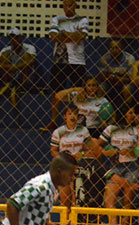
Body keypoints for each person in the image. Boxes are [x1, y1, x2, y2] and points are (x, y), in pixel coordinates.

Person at [95, 104, 139, 225]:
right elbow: (97, 145)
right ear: (123, 114)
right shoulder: (111, 129)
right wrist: (107, 152)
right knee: (109, 198)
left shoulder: (136, 129)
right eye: (130, 113)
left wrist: (133, 147)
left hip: (132, 166)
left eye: (133, 113)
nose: (133, 116)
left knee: (128, 199)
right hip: (115, 165)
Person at [44, 0, 89, 131]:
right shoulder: (57, 19)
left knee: (79, 91)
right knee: (56, 92)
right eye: (66, 5)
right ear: (63, 6)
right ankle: (54, 121)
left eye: (71, 4)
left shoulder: (82, 20)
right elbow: (53, 37)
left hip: (77, 60)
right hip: (60, 60)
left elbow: (81, 36)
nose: (68, 7)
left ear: (75, 5)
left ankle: (79, 121)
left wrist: (63, 34)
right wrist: (73, 35)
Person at [50, 105, 91, 208]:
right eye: (69, 114)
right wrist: (64, 158)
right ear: (65, 116)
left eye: (75, 114)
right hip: (65, 166)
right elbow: (53, 151)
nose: (72, 116)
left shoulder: (83, 130)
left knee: (76, 201)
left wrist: (81, 154)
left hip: (80, 166)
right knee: (65, 201)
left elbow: (90, 149)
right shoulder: (58, 132)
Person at [0, 28, 37, 112]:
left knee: (26, 57)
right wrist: (11, 67)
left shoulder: (29, 48)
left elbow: (31, 61)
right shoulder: (6, 49)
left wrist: (15, 67)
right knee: (5, 56)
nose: (14, 40)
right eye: (11, 38)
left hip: (25, 76)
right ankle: (8, 84)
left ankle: (22, 86)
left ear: (21, 37)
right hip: (10, 74)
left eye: (16, 37)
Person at [96, 38, 135, 107]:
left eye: (117, 48)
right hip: (109, 82)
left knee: (127, 89)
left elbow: (130, 77)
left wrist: (120, 79)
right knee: (101, 87)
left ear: (121, 49)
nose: (114, 50)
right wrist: (109, 78)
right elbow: (101, 76)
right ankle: (99, 107)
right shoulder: (105, 58)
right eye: (112, 48)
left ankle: (127, 108)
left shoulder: (129, 58)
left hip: (124, 82)